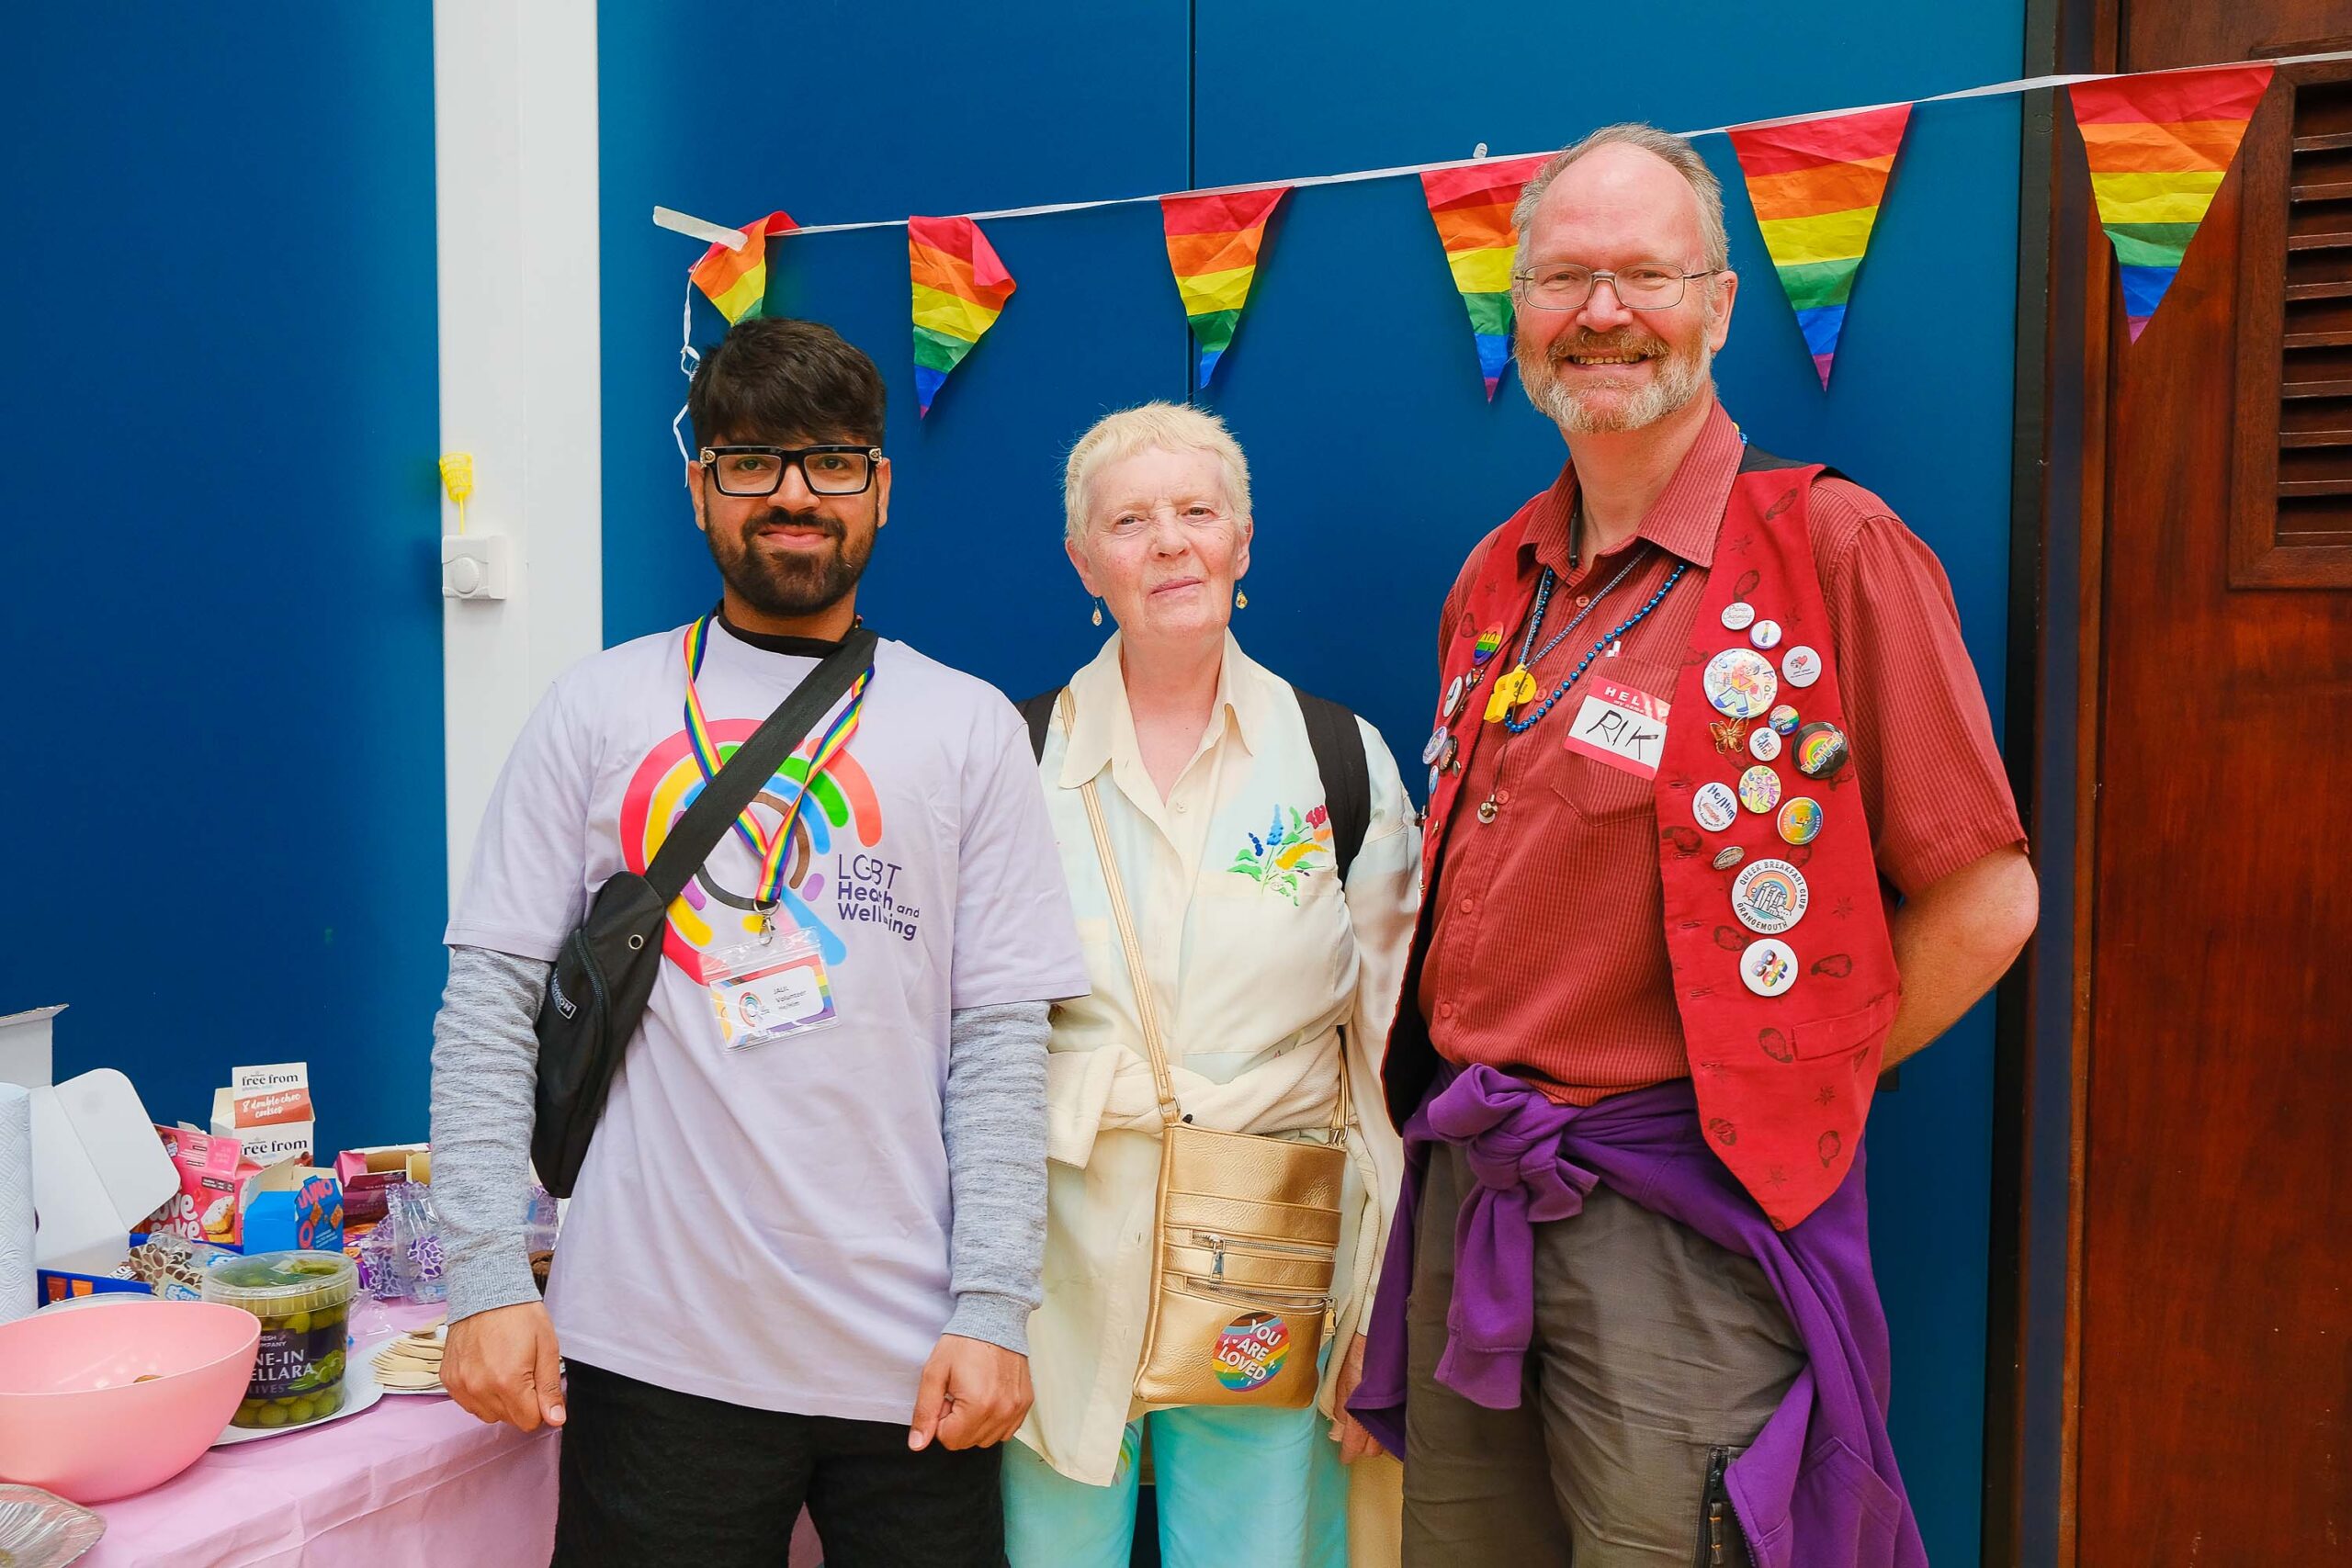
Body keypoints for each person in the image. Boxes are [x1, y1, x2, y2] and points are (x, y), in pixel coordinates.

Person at [1349, 125, 2040, 1568]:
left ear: (1720, 304)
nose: (1603, 312)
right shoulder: (1498, 576)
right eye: (1565, 277)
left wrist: (1783, 1088)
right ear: (1518, 306)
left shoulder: (1830, 553)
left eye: (1645, 274)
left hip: (1682, 1212)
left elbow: (1984, 893)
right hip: (1480, 1191)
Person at [428, 316, 1088, 1566]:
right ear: (700, 489)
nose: (793, 494)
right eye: (753, 460)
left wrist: (995, 1305)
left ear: (881, 488)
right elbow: (487, 1003)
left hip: (914, 1361)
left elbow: (1000, 1049)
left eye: (832, 461)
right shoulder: (597, 705)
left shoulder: (968, 728)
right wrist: (484, 1276)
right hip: (652, 1348)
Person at [1002, 403, 1417, 1568]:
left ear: (1243, 541)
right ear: (1085, 565)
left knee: (1259, 1548)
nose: (1170, 543)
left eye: (1197, 512)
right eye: (1129, 522)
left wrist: (1378, 1311)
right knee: (1049, 1546)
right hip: (1060, 1246)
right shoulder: (1014, 758)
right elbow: (964, 1051)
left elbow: (1386, 1054)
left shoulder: (1339, 759)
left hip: (1271, 1242)